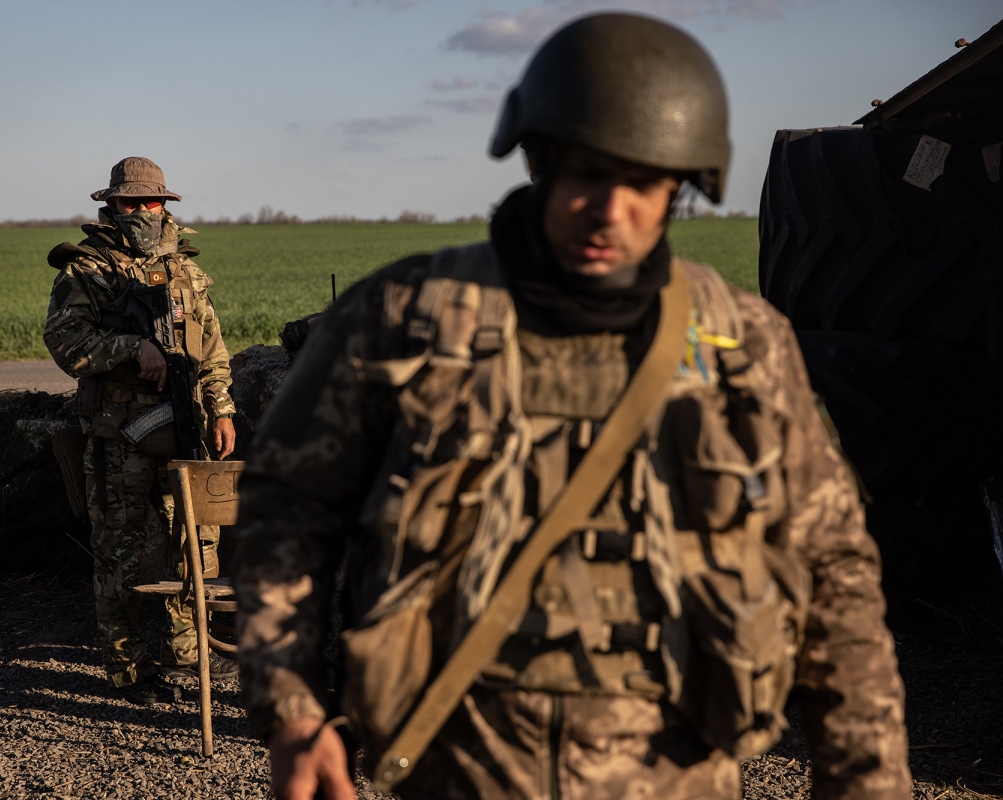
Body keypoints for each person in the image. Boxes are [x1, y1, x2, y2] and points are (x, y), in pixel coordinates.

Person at [234, 13, 911, 800]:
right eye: (588, 173)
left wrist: (865, 778)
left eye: (644, 182)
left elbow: (833, 570)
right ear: (541, 159)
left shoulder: (743, 346)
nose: (609, 208)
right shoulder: (404, 317)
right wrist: (289, 708)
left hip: (678, 776)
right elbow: (288, 511)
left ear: (681, 188)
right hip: (454, 770)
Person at [44, 156, 238, 705]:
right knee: (120, 554)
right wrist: (132, 349)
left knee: (195, 546)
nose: (142, 211)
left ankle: (187, 652)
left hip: (186, 429)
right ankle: (128, 668)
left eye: (151, 202)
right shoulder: (85, 270)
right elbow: (65, 342)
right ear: (110, 205)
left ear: (165, 204)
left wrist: (221, 409)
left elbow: (213, 349)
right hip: (119, 435)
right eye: (130, 202)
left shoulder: (186, 271)